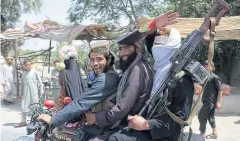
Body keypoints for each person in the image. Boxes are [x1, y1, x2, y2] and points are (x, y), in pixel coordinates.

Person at [108, 11, 195, 141]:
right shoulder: (160, 67)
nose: (157, 49)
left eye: (162, 46)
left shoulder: (182, 79)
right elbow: (147, 41)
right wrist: (154, 25)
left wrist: (146, 124)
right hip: (145, 126)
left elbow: (179, 121)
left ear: (173, 48)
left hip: (163, 135)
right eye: (156, 45)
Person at [38, 41, 119, 127]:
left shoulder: (106, 78)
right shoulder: (108, 75)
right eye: (92, 60)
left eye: (99, 59)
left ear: (108, 60)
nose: (95, 63)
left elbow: (82, 103)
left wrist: (53, 120)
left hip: (105, 127)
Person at [56, 45, 86, 110]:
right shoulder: (76, 66)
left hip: (69, 102)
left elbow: (62, 83)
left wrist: (61, 71)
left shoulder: (64, 72)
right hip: (79, 102)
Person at [15, 59, 44, 127]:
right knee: (24, 106)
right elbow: (21, 84)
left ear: (31, 65)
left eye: (29, 65)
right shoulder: (24, 74)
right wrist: (20, 93)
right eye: (26, 65)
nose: (28, 66)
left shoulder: (35, 72)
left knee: (35, 107)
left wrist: (41, 90)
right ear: (24, 66)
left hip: (34, 92)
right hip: (25, 93)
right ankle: (23, 122)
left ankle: (37, 122)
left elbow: (40, 82)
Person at [198, 61, 222, 139]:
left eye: (207, 66)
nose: (205, 67)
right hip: (206, 101)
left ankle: (202, 133)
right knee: (210, 117)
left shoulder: (215, 77)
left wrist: (218, 102)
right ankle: (215, 134)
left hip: (210, 102)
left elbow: (220, 90)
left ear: (212, 67)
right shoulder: (204, 76)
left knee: (201, 116)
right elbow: (201, 85)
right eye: (204, 66)